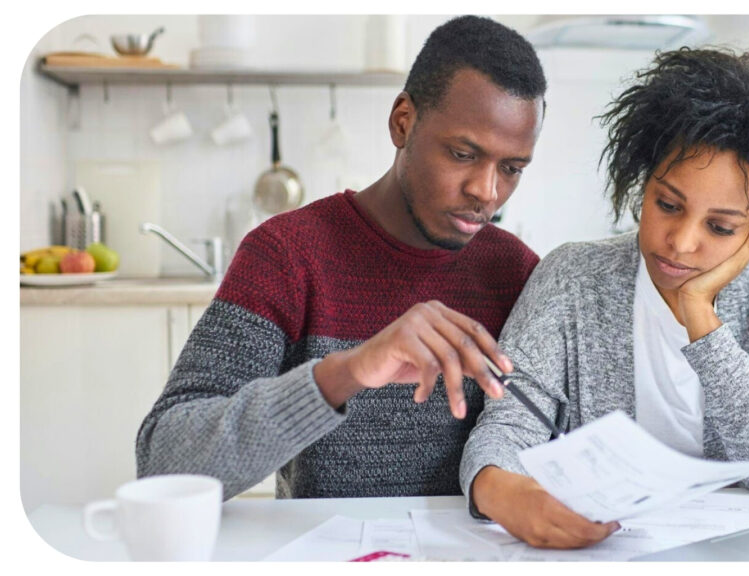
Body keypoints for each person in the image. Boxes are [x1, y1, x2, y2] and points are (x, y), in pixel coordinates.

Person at [136, 15, 547, 500]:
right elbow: (164, 463)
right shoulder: (286, 255)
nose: (487, 190)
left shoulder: (518, 273)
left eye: (512, 168)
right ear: (403, 122)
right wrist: (347, 372)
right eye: (461, 154)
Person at [460, 47, 749, 549]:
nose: (681, 241)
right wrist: (497, 490)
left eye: (720, 226)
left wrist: (700, 316)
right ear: (642, 185)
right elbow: (510, 419)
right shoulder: (572, 277)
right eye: (667, 205)